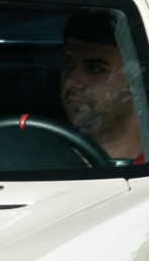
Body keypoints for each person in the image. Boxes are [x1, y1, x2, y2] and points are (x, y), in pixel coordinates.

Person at [59, 9, 143, 161]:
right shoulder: (47, 158)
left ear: (138, 80)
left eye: (95, 69)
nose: (69, 82)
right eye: (68, 64)